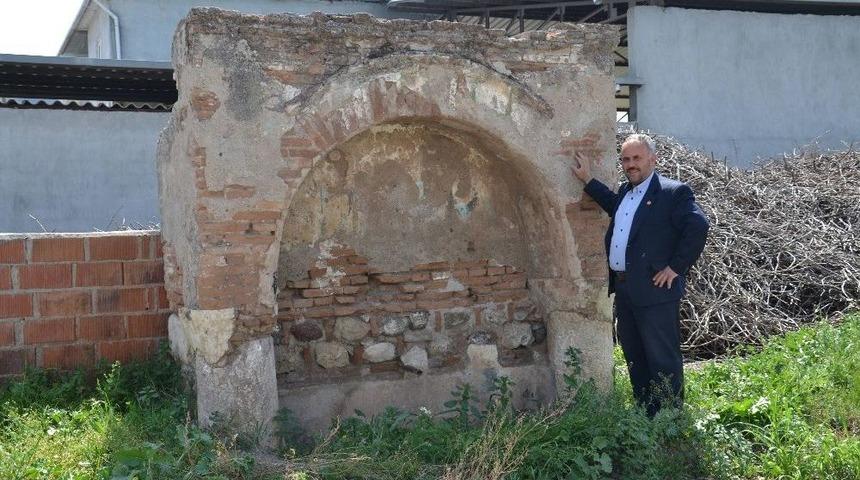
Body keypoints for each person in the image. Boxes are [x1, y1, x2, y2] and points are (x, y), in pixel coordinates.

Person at [567, 133, 709, 416]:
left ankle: (670, 416)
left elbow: (699, 226)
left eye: (636, 158)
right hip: (625, 289)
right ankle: (646, 411)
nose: (630, 164)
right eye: (626, 159)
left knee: (662, 357)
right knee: (635, 355)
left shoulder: (672, 192)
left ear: (652, 159)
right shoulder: (625, 193)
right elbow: (612, 204)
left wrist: (675, 268)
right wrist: (587, 179)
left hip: (656, 291)